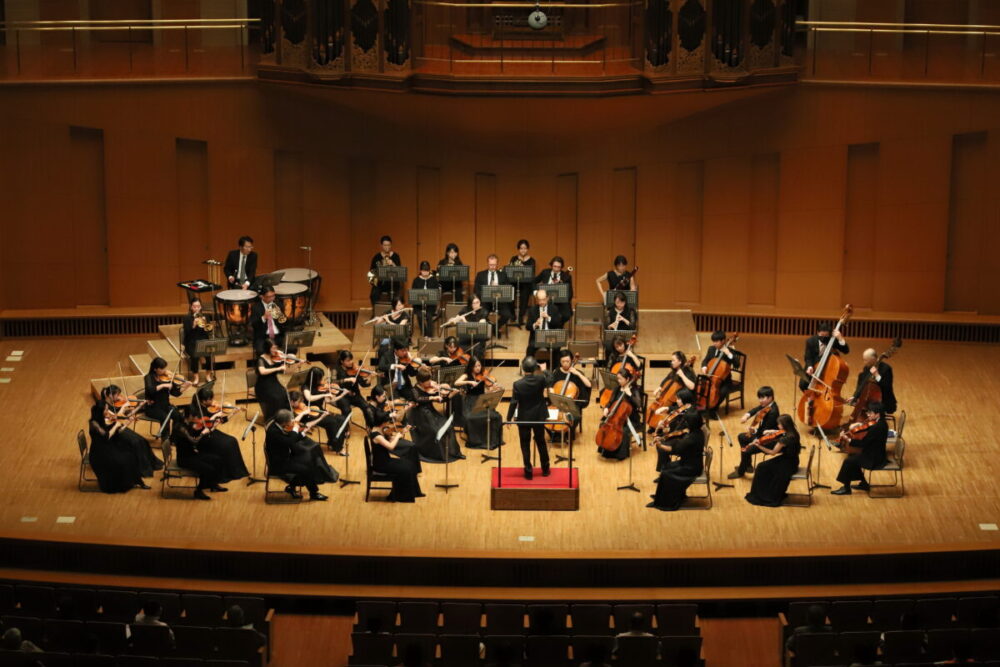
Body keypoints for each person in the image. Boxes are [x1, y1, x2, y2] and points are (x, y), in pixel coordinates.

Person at [265, 409, 331, 500]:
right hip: (279, 463)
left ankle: (291, 487)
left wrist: (302, 432)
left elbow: (288, 438)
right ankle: (313, 493)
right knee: (306, 469)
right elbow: (289, 442)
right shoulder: (273, 432)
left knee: (309, 461)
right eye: (290, 421)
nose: (292, 422)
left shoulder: (276, 422)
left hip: (284, 455)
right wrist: (295, 429)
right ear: (284, 423)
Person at [98, 384, 162, 477]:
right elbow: (116, 417)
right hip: (115, 433)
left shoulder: (112, 405)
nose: (119, 397)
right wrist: (124, 407)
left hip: (120, 427)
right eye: (117, 394)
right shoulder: (104, 407)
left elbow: (126, 416)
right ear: (110, 395)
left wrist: (140, 406)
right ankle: (142, 469)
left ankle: (151, 464)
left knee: (143, 440)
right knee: (136, 443)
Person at [189, 386, 250, 482]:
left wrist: (233, 413)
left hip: (211, 432)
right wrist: (215, 417)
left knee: (232, 440)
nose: (213, 401)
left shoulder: (208, 408)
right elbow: (205, 426)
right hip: (203, 438)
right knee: (226, 445)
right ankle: (225, 473)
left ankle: (237, 471)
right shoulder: (197, 411)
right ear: (204, 401)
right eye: (210, 399)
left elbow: (220, 421)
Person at [648, 411, 704, 511]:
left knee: (666, 473)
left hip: (690, 468)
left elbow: (673, 450)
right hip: (692, 463)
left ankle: (666, 503)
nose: (685, 423)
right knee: (666, 467)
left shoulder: (691, 438)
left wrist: (660, 445)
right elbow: (680, 445)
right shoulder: (698, 432)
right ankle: (660, 498)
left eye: (686, 421)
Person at [88, 402, 148, 493]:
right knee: (122, 460)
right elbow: (106, 436)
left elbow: (117, 432)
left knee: (131, 454)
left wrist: (127, 423)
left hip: (107, 447)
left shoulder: (103, 419)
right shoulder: (94, 423)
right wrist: (116, 425)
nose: (108, 411)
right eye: (106, 409)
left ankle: (137, 481)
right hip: (99, 452)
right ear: (100, 411)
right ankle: (120, 484)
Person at [832, 402, 889, 495]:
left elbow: (863, 444)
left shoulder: (877, 427)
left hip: (874, 458)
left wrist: (848, 439)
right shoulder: (881, 422)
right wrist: (858, 424)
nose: (868, 414)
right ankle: (864, 484)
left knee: (848, 461)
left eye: (870, 413)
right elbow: (868, 427)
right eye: (868, 412)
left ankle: (846, 488)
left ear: (877, 414)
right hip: (876, 453)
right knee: (853, 458)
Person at [408, 366, 464, 462]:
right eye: (427, 381)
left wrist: (450, 395)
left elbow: (440, 400)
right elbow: (418, 399)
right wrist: (432, 398)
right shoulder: (414, 390)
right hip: (420, 415)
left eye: (430, 379)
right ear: (420, 382)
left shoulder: (430, 388)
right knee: (436, 431)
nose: (430, 382)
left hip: (431, 412)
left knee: (449, 427)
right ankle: (439, 455)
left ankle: (454, 453)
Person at [507, 356, 550, 479]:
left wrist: (509, 418)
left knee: (525, 444)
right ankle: (545, 469)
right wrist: (544, 370)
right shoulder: (541, 379)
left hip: (524, 417)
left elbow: (513, 402)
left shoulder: (517, 384)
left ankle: (528, 471)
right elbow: (551, 379)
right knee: (541, 441)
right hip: (538, 416)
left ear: (522, 368)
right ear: (535, 368)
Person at [745, 414, 802, 507]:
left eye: (779, 424)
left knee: (761, 467)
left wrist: (758, 445)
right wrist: (772, 431)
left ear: (784, 425)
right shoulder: (794, 432)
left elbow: (772, 452)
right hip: (794, 461)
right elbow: (782, 432)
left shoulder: (784, 439)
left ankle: (764, 495)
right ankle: (766, 491)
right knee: (763, 466)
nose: (778, 425)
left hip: (786, 464)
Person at [172, 408, 227, 500]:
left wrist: (213, 424)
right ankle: (198, 491)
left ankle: (213, 484)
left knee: (217, 460)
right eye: (195, 417)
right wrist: (202, 434)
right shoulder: (181, 428)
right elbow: (194, 441)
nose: (197, 419)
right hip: (185, 458)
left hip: (192, 454)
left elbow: (195, 432)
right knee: (207, 469)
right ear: (189, 416)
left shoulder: (189, 424)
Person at [368, 412, 424, 502]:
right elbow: (391, 446)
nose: (388, 423)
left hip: (386, 460)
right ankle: (401, 496)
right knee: (406, 468)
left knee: (410, 464)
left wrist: (403, 432)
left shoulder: (380, 429)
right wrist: (397, 437)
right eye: (387, 421)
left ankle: (413, 492)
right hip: (381, 464)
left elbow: (390, 440)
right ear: (382, 422)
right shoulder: (376, 435)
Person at [728, 386, 779, 479]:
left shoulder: (773, 412)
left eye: (762, 398)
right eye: (759, 398)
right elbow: (756, 409)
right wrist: (746, 415)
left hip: (768, 440)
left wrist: (754, 431)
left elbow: (765, 431)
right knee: (742, 437)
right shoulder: (767, 405)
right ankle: (748, 465)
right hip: (762, 433)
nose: (760, 400)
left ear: (770, 397)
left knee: (746, 450)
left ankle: (741, 471)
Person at [454, 356, 503, 450]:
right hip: (470, 401)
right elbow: (456, 382)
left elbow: (487, 391)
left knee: (496, 416)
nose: (478, 368)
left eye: (479, 366)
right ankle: (476, 440)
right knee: (470, 418)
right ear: (471, 366)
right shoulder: (466, 375)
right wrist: (469, 382)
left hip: (482, 400)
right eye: (475, 366)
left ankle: (491, 439)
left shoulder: (483, 375)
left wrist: (493, 389)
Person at [598, 368, 643, 461]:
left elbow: (639, 405)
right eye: (617, 378)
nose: (618, 381)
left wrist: (630, 394)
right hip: (616, 417)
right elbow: (610, 401)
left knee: (624, 431)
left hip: (631, 419)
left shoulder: (635, 389)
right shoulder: (617, 388)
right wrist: (606, 408)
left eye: (620, 379)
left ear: (627, 379)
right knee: (603, 425)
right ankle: (606, 448)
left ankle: (620, 454)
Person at [651, 388, 700, 472]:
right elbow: (675, 409)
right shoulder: (685, 408)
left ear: (685, 399)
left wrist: (666, 429)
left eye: (678, 399)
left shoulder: (690, 414)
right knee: (660, 443)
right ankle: (665, 469)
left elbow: (681, 429)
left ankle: (664, 470)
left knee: (662, 446)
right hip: (682, 436)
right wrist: (666, 411)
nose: (676, 401)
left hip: (686, 440)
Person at [547, 350, 592, 437]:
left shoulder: (577, 373)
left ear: (571, 360)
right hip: (557, 403)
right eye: (563, 361)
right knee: (545, 416)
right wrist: (551, 391)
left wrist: (578, 373)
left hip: (572, 404)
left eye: (567, 361)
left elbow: (589, 385)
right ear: (560, 361)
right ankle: (554, 435)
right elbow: (550, 385)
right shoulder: (556, 372)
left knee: (575, 417)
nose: (565, 364)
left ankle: (568, 434)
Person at [289, 389, 348, 455]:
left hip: (310, 415)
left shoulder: (297, 405)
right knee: (332, 422)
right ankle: (337, 446)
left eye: (301, 401)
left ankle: (333, 443)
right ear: (292, 402)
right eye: (298, 402)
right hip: (306, 421)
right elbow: (294, 421)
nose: (301, 403)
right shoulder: (289, 409)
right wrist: (303, 413)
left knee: (339, 419)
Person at [801, 321, 850, 391]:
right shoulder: (811, 341)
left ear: (829, 334)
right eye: (821, 335)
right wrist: (810, 366)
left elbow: (846, 351)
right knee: (803, 384)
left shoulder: (832, 340)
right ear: (817, 332)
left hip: (827, 368)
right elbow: (808, 357)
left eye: (826, 336)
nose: (823, 338)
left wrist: (840, 338)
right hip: (814, 366)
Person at [474, 254, 514, 336]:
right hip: (485, 301)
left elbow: (508, 288)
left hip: (499, 301)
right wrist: (486, 292)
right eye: (491, 265)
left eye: (494, 265)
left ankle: (495, 327)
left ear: (497, 264)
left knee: (507, 315)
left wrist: (499, 287)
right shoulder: (480, 275)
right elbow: (476, 290)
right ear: (487, 263)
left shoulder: (503, 275)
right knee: (482, 314)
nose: (492, 267)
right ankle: (492, 328)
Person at [143, 357, 192, 425]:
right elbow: (150, 390)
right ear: (155, 369)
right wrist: (163, 385)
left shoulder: (168, 378)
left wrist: (185, 387)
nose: (164, 370)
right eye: (162, 368)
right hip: (153, 407)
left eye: (165, 368)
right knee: (166, 418)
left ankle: (175, 431)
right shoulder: (148, 377)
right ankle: (165, 432)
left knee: (178, 416)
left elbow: (175, 393)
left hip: (165, 405)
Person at [848, 347, 897, 415]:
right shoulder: (866, 368)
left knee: (871, 407)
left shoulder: (886, 369)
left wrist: (877, 375)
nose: (864, 362)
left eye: (866, 360)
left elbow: (887, 387)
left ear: (873, 359)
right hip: (870, 401)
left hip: (884, 401)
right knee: (861, 376)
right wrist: (855, 397)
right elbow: (862, 385)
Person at [698, 330, 736, 411]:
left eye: (716, 341)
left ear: (723, 341)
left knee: (722, 392)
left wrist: (729, 354)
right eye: (713, 341)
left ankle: (713, 409)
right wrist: (704, 367)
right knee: (700, 387)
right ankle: (701, 405)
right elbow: (705, 360)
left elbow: (737, 364)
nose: (714, 343)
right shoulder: (711, 349)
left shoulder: (729, 350)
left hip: (725, 380)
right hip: (711, 377)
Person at [255, 341, 292, 421]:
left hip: (274, 382)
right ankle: (273, 419)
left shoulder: (277, 357)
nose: (275, 350)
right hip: (263, 385)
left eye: (276, 348)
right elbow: (262, 371)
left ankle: (285, 418)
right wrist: (278, 368)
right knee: (275, 397)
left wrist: (298, 363)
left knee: (285, 394)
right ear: (267, 348)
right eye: (273, 348)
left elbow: (287, 369)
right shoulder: (261, 359)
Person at [181, 298, 214, 383]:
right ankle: (196, 377)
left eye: (198, 306)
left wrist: (206, 323)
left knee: (209, 355)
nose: (197, 308)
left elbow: (209, 330)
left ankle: (208, 375)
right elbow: (187, 333)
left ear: (201, 307)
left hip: (203, 341)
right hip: (191, 342)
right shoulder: (187, 318)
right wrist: (194, 325)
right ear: (191, 307)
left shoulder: (205, 316)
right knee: (195, 356)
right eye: (195, 306)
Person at [525, 288, 564, 359]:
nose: (541, 302)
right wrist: (535, 324)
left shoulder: (554, 308)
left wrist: (549, 318)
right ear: (536, 299)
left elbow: (559, 324)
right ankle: (529, 365)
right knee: (530, 348)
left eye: (543, 300)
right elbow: (527, 326)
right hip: (537, 337)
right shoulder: (532, 310)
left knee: (556, 349)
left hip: (550, 336)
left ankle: (555, 366)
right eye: (539, 300)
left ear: (547, 298)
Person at [379, 337, 422, 402]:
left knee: (416, 399)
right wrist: (395, 366)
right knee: (396, 403)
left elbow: (412, 374)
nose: (405, 352)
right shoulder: (387, 355)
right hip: (392, 386)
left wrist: (417, 368)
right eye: (402, 351)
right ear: (395, 350)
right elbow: (381, 366)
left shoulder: (407, 357)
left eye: (406, 350)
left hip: (405, 385)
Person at [534, 255, 573, 323]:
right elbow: (534, 281)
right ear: (551, 265)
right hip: (546, 301)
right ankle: (552, 325)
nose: (556, 269)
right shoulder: (545, 272)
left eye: (559, 267)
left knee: (566, 315)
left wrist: (564, 298)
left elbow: (570, 292)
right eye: (555, 266)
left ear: (561, 267)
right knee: (543, 312)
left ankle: (557, 325)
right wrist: (536, 292)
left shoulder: (567, 276)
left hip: (561, 302)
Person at [334, 350, 373, 416]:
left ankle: (371, 423)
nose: (351, 362)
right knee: (347, 411)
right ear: (342, 361)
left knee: (368, 409)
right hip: (342, 395)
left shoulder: (355, 369)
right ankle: (345, 422)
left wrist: (369, 379)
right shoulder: (336, 370)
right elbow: (333, 382)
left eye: (351, 360)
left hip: (355, 395)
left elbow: (363, 384)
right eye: (348, 361)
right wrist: (347, 379)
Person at [250, 286, 285, 355]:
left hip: (278, 336)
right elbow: (254, 325)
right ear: (262, 297)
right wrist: (263, 317)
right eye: (269, 297)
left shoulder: (278, 305)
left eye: (273, 296)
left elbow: (285, 324)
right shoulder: (256, 308)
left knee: (292, 347)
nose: (272, 298)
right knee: (260, 350)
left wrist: (280, 316)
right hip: (263, 337)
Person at [369, 235, 402, 307]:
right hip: (380, 284)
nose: (387, 247)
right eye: (385, 245)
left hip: (392, 283)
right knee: (373, 294)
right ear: (381, 245)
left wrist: (393, 264)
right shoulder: (376, 257)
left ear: (391, 245)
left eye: (388, 245)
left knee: (397, 295)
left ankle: (393, 312)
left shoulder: (395, 256)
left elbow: (400, 272)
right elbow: (371, 273)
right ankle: (376, 312)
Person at [509, 239, 536, 326]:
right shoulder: (514, 258)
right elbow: (510, 271)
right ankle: (512, 315)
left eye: (525, 248)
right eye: (521, 248)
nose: (523, 250)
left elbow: (532, 274)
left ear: (527, 249)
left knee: (525, 293)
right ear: (518, 249)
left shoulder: (532, 260)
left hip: (526, 283)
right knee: (509, 292)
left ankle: (520, 317)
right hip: (514, 282)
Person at [411, 261, 440, 338]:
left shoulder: (433, 279)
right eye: (423, 271)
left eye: (427, 271)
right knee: (420, 315)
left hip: (430, 305)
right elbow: (413, 294)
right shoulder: (416, 280)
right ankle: (425, 334)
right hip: (418, 305)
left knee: (429, 315)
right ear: (420, 271)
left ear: (429, 270)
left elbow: (436, 293)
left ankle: (430, 335)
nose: (425, 273)